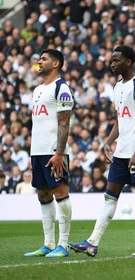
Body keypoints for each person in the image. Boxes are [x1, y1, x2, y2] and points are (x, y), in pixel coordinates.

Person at [68, 45, 135, 258]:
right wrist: (109, 141)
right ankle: (92, 243)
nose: (112, 63)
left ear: (128, 62)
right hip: (121, 152)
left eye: (116, 60)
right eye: (111, 60)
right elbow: (121, 118)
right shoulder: (118, 86)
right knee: (110, 197)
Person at [24, 48, 74, 258]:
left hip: (55, 152)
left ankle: (63, 244)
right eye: (39, 58)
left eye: (44, 59)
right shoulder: (36, 90)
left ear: (56, 64)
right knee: (43, 194)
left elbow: (64, 122)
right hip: (38, 151)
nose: (39, 61)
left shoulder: (62, 88)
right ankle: (48, 243)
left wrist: (59, 153)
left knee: (60, 192)